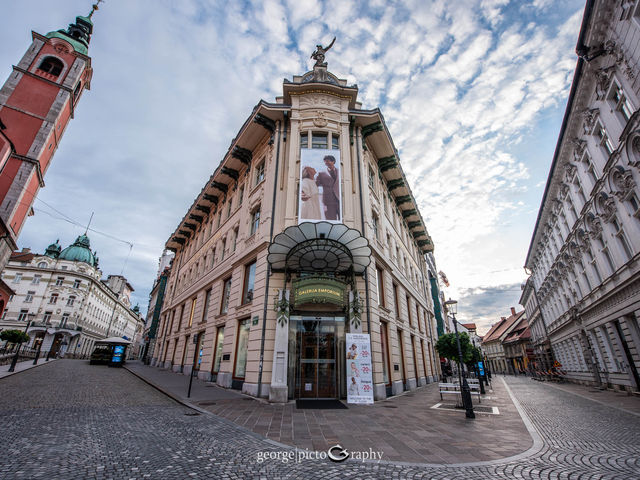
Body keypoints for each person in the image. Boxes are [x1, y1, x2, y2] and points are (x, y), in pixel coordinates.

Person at [316, 155, 340, 220]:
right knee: (331, 220)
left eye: (328, 161)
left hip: (339, 200)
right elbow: (315, 185)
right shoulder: (321, 174)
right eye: (325, 161)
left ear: (333, 161)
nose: (326, 163)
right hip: (328, 201)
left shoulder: (340, 171)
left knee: (343, 220)